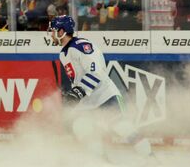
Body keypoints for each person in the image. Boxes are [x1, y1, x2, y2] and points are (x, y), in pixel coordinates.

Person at [49, 15, 154, 159]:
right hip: (88, 100)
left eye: (53, 30)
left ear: (61, 32)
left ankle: (151, 158)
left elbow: (96, 71)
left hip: (106, 95)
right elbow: (78, 79)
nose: (50, 34)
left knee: (122, 127)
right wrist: (72, 96)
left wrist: (79, 91)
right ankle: (103, 162)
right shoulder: (63, 53)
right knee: (81, 127)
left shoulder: (81, 45)